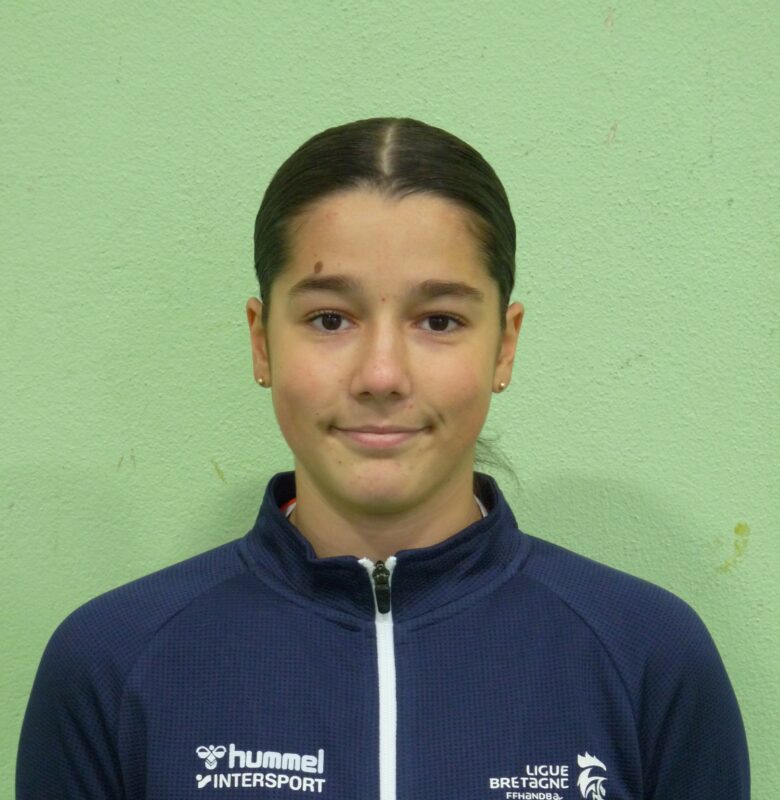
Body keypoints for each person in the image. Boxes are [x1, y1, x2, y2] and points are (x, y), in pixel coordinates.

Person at [17, 117, 749, 799]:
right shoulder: (111, 664)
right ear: (262, 341)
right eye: (329, 318)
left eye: (440, 320)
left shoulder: (648, 658)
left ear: (505, 345)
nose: (381, 375)